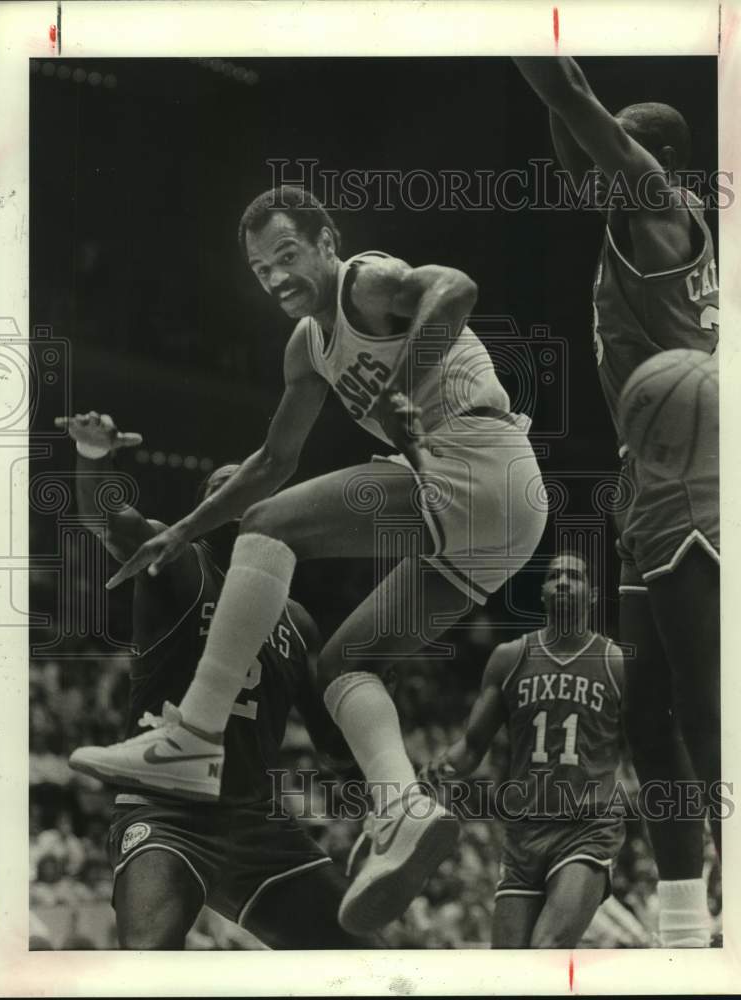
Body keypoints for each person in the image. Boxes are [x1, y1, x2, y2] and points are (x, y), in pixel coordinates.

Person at [69, 187, 547, 933]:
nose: (277, 278)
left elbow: (455, 287)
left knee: (267, 529)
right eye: (261, 270)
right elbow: (271, 461)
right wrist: (185, 529)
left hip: (476, 456)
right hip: (506, 520)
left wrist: (396, 386)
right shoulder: (307, 348)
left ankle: (191, 737)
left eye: (288, 255)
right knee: (344, 665)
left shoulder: (364, 283)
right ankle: (400, 809)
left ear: (328, 243)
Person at [512, 57, 720, 946]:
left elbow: (569, 99)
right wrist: (572, 110)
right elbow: (571, 131)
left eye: (613, 149)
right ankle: (683, 921)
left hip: (696, 479)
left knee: (707, 705)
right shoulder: (628, 220)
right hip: (648, 479)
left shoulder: (659, 209)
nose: (590, 166)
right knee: (646, 711)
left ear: (646, 157)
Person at [63, 411, 376, 949]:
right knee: (147, 961)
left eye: (248, 483)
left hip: (254, 822)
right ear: (206, 509)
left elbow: (332, 746)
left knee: (367, 959)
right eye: (220, 485)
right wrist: (93, 455)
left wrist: (381, 785)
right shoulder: (180, 559)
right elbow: (106, 519)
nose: (237, 489)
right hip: (165, 810)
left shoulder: (297, 620)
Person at [423, 552, 625, 948]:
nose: (563, 582)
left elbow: (651, 739)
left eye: (575, 577)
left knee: (545, 950)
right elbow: (471, 747)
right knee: (508, 972)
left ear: (593, 595)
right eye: (554, 576)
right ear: (543, 592)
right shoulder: (510, 658)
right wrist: (434, 772)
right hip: (524, 832)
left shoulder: (614, 662)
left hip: (587, 826)